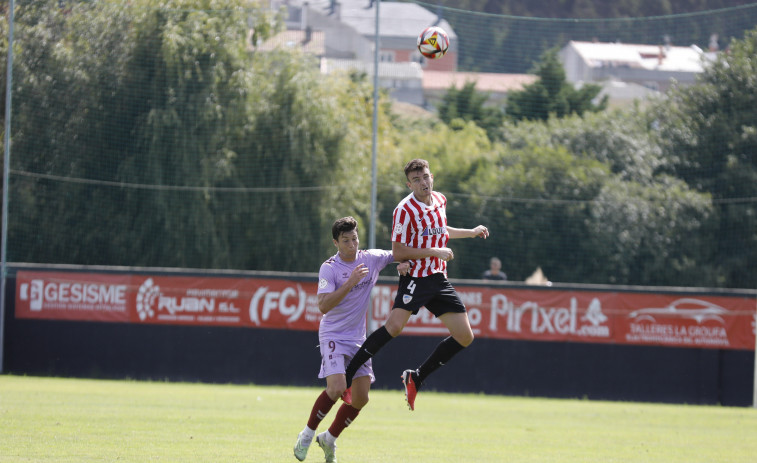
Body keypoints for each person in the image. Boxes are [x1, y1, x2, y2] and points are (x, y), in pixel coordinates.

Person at [342, 158, 489, 411]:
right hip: (416, 278)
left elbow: (441, 229)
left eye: (426, 177)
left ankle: (416, 377)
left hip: (438, 279)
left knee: (465, 336)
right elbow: (398, 252)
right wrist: (434, 252)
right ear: (409, 184)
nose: (423, 183)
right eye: (417, 180)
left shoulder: (440, 200)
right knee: (394, 327)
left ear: (432, 177)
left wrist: (471, 231)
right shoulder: (404, 210)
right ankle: (348, 376)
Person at [293, 216, 409, 462]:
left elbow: (398, 253)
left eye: (354, 239)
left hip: (358, 339)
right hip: (333, 334)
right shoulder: (330, 268)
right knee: (335, 388)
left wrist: (404, 262)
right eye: (345, 241)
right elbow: (323, 305)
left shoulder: (371, 258)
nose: (352, 245)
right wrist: (351, 282)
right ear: (336, 242)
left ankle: (329, 439)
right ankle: (307, 433)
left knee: (361, 398)